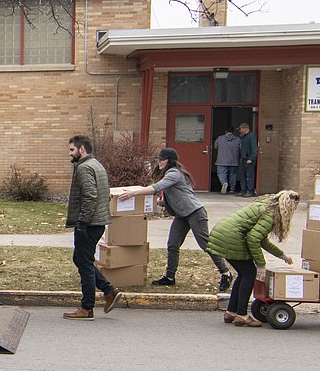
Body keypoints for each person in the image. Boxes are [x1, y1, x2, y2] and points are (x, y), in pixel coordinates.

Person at [117, 147, 233, 292]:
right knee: (172, 245)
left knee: (205, 244)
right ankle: (169, 277)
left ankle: (225, 273)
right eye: (159, 159)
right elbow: (172, 196)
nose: (159, 162)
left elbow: (156, 187)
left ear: (170, 161)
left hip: (195, 213)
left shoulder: (174, 173)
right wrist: (155, 203)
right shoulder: (170, 174)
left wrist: (133, 194)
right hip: (182, 215)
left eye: (162, 159)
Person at [207, 190, 301, 327]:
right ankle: (242, 315)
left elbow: (261, 240)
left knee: (243, 274)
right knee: (250, 273)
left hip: (222, 233)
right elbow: (253, 239)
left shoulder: (265, 206)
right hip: (231, 238)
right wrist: (261, 265)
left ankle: (231, 312)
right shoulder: (270, 215)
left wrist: (282, 255)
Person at [63, 134, 121, 320]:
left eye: (72, 150)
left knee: (85, 264)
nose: (70, 154)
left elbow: (90, 196)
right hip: (98, 222)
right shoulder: (96, 164)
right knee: (80, 259)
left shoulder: (85, 167)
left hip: (89, 224)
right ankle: (108, 291)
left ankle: (87, 308)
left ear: (82, 149)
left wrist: (82, 223)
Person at [213, 126, 241, 194]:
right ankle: (232, 189)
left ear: (225, 131)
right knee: (233, 175)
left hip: (221, 160)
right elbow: (241, 149)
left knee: (221, 173)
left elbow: (215, 147)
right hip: (234, 160)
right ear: (233, 131)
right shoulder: (238, 139)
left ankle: (224, 183)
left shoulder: (219, 138)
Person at [237, 123, 257, 197]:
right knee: (242, 175)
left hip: (248, 159)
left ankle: (250, 190)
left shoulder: (251, 137)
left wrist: (251, 158)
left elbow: (254, 148)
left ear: (245, 128)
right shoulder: (244, 137)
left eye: (240, 129)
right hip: (243, 158)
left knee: (249, 175)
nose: (240, 131)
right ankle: (243, 190)